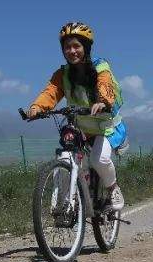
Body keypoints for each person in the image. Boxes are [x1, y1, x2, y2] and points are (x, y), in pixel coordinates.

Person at [27, 22, 128, 210]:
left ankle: (113, 189)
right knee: (65, 158)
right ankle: (65, 204)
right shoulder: (62, 74)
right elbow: (51, 92)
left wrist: (103, 101)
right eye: (67, 47)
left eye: (76, 46)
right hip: (82, 128)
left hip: (106, 128)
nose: (71, 51)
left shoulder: (100, 67)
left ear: (86, 48)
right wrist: (37, 107)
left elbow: (105, 84)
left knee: (99, 159)